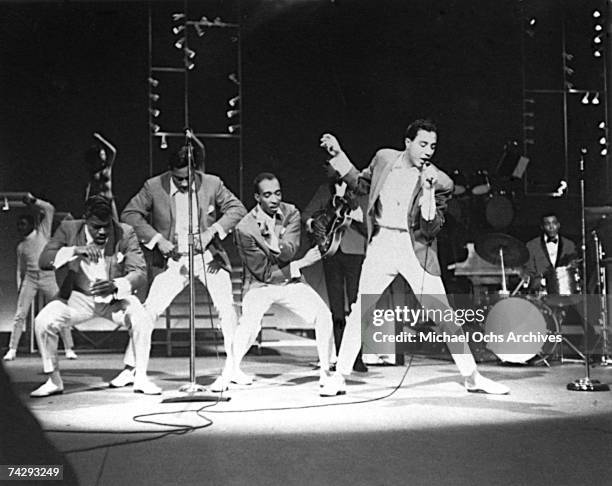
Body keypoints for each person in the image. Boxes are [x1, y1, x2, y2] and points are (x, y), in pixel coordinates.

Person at [318, 119, 510, 396]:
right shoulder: (384, 158)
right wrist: (338, 155)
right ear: (407, 143)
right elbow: (361, 185)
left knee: (443, 315)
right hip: (382, 243)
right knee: (361, 309)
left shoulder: (441, 181)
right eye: (422, 144)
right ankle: (340, 376)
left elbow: (431, 227)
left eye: (432, 146)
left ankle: (472, 377)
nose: (428, 151)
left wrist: (429, 191)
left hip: (416, 249)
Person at [121, 144, 246, 389]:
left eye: (189, 178)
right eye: (178, 179)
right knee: (148, 311)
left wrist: (211, 232)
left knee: (227, 308)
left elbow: (237, 209)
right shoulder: (153, 186)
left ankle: (233, 368)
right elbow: (130, 214)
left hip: (207, 257)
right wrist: (158, 241)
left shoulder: (212, 183)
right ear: (169, 172)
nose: (185, 184)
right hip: (173, 259)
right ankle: (133, 369)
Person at [30, 195, 160, 397]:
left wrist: (116, 285)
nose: (102, 231)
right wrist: (75, 250)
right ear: (85, 219)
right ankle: (53, 380)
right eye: (95, 226)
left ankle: (140, 377)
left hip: (115, 300)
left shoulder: (125, 232)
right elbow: (45, 260)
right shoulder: (69, 229)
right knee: (43, 321)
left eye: (106, 226)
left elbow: (140, 272)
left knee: (143, 319)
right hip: (79, 299)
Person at [216, 172, 334, 392]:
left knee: (323, 315)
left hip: (289, 281)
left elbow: (288, 251)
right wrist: (302, 263)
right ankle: (228, 372)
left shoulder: (291, 213)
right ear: (257, 197)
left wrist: (272, 238)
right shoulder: (244, 228)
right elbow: (263, 272)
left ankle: (327, 374)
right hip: (260, 284)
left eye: (277, 193)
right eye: (267, 195)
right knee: (249, 325)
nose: (274, 199)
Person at [302, 162, 369, 372]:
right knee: (337, 308)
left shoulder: (360, 191)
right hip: (331, 252)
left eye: (330, 166)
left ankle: (357, 358)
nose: (327, 170)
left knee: (356, 306)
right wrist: (314, 224)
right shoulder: (325, 190)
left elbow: (370, 225)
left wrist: (354, 208)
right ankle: (341, 356)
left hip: (355, 253)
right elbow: (307, 216)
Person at [3, 194, 76, 362]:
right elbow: (20, 270)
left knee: (61, 310)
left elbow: (49, 208)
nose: (20, 227)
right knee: (20, 314)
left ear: (31, 224)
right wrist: (20, 287)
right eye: (18, 225)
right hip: (30, 279)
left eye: (23, 224)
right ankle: (12, 349)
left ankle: (68, 348)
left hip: (47, 277)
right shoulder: (21, 246)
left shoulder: (42, 232)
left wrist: (34, 202)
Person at [525, 212, 577, 291]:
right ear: (542, 227)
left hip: (564, 289)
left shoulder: (569, 244)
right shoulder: (531, 245)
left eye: (554, 223)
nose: (551, 227)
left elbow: (573, 267)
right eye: (547, 224)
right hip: (541, 291)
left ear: (559, 225)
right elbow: (529, 270)